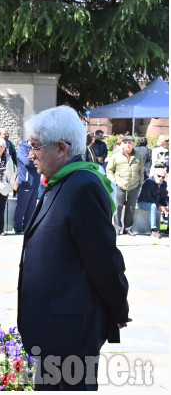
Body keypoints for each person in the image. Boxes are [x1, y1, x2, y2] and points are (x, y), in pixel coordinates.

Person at [18, 106, 130, 390]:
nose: (30, 155)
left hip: (68, 332)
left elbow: (104, 260)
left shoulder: (83, 186)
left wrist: (118, 310)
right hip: (51, 327)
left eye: (35, 148)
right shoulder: (60, 182)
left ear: (61, 148)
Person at [106, 135, 144, 236]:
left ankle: (128, 229)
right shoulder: (116, 155)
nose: (128, 145)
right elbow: (109, 170)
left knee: (131, 208)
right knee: (117, 207)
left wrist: (140, 182)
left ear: (133, 144)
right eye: (125, 142)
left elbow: (141, 171)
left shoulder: (138, 155)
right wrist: (114, 182)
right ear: (122, 144)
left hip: (134, 186)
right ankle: (117, 228)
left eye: (130, 142)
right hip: (119, 186)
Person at [13, 140, 39, 234]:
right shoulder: (23, 148)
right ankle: (18, 226)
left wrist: (35, 160)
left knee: (32, 206)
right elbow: (27, 161)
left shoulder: (37, 147)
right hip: (26, 182)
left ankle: (27, 226)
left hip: (35, 183)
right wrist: (37, 162)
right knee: (22, 205)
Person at [137, 168, 168, 239]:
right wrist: (159, 206)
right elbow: (147, 197)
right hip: (143, 202)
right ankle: (153, 230)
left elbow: (164, 197)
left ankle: (168, 229)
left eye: (163, 177)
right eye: (159, 176)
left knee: (168, 206)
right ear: (154, 174)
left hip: (156, 202)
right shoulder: (148, 182)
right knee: (153, 206)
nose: (161, 178)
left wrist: (166, 204)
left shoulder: (164, 183)